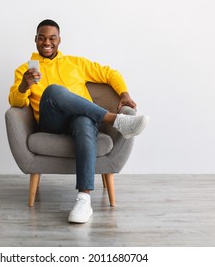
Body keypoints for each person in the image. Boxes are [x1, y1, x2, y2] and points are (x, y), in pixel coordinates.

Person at [9, 19, 149, 223]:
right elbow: (15, 101)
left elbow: (110, 74)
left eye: (52, 38)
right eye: (42, 38)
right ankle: (113, 120)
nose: (47, 42)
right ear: (36, 40)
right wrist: (23, 86)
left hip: (81, 121)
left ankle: (84, 200)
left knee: (84, 120)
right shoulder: (25, 70)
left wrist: (124, 94)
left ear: (59, 40)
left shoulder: (75, 63)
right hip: (52, 124)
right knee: (54, 91)